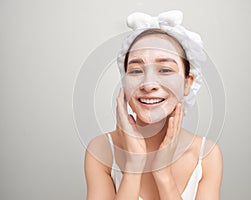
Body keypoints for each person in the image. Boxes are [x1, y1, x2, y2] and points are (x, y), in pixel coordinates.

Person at [84, 10, 222, 200]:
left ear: (188, 82)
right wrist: (133, 167)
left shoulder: (206, 155)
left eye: (165, 69)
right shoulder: (101, 150)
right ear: (124, 81)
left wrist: (163, 174)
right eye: (135, 70)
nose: (148, 84)